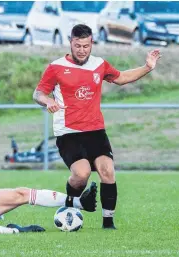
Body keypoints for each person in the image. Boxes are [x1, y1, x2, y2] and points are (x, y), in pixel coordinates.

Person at [33, 24, 161, 229]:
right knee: (82, 174)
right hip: (69, 132)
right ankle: (71, 204)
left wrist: (147, 67)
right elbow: (38, 93)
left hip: (95, 131)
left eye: (86, 45)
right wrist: (47, 101)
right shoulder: (56, 67)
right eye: (77, 45)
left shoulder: (99, 64)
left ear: (91, 43)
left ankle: (108, 223)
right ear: (70, 43)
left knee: (107, 171)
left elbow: (122, 78)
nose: (82, 50)